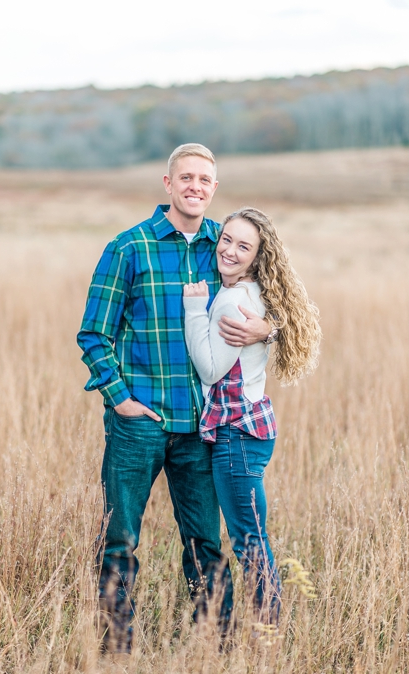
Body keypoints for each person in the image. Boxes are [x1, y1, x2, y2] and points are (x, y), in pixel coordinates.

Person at [77, 143, 272, 653]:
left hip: (201, 428)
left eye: (205, 180)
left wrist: (268, 329)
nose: (196, 187)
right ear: (168, 183)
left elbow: (277, 302)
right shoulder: (129, 247)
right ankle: (117, 646)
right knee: (120, 540)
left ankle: (216, 642)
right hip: (139, 422)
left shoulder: (224, 248)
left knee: (205, 544)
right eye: (186, 178)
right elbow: (94, 335)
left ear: (214, 188)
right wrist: (120, 399)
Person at [183, 207, 320, 624]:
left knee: (249, 544)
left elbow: (209, 368)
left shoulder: (232, 301)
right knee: (252, 538)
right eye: (226, 239)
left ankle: (268, 637)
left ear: (258, 257)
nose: (229, 250)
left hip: (236, 436)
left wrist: (193, 308)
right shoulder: (256, 292)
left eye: (244, 246)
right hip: (250, 427)